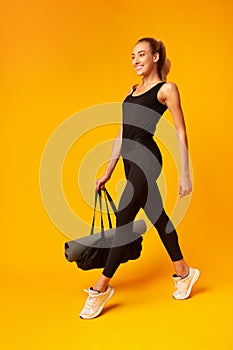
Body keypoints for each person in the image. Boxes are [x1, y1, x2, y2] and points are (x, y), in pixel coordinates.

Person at [79, 37, 200, 320]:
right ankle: (184, 272)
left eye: (142, 54)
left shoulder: (166, 89)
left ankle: (101, 288)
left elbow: (181, 131)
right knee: (158, 217)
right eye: (133, 56)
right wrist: (108, 171)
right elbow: (122, 134)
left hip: (147, 158)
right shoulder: (132, 91)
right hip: (128, 163)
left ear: (155, 57)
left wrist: (185, 173)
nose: (136, 60)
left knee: (123, 218)